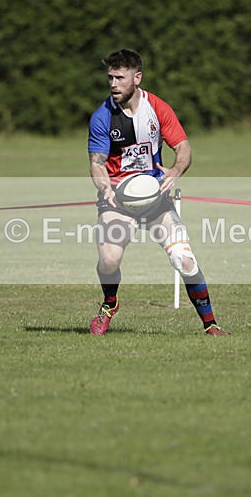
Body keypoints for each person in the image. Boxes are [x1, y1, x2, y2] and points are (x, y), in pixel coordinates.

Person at [86, 49, 227, 336]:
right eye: (110, 78)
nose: (113, 84)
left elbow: (183, 148)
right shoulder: (102, 117)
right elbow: (97, 163)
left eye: (120, 78)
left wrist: (175, 171)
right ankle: (109, 304)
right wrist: (104, 187)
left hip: (155, 200)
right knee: (109, 260)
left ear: (137, 78)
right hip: (117, 201)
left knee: (185, 261)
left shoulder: (158, 108)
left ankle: (211, 325)